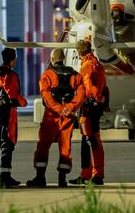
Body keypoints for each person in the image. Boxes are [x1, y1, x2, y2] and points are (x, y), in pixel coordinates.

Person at [26, 48, 85, 187]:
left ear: (52, 59)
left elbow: (45, 94)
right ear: (63, 58)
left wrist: (59, 109)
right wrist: (70, 108)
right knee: (65, 148)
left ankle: (40, 178)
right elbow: (81, 93)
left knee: (43, 145)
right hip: (68, 116)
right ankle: (62, 179)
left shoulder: (48, 74)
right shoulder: (74, 74)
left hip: (52, 116)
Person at [0, 47, 27, 187]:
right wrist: (23, 102)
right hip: (8, 114)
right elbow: (13, 95)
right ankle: (6, 176)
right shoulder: (10, 76)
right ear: (12, 59)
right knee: (8, 143)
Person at [71, 39, 107, 186]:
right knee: (90, 141)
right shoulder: (97, 64)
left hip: (89, 108)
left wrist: (75, 104)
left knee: (90, 141)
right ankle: (89, 174)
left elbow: (89, 88)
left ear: (79, 53)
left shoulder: (86, 66)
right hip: (95, 108)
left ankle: (95, 175)